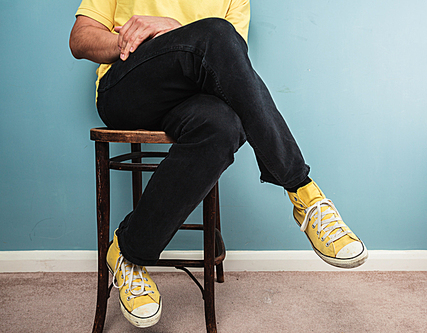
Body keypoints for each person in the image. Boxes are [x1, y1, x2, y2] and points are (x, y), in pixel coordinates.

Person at [70, 0, 368, 328]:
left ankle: (128, 252)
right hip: (129, 90)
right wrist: (133, 39)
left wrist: (177, 32)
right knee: (216, 31)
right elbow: (80, 39)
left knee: (224, 126)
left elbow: (230, 71)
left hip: (189, 100)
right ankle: (303, 191)